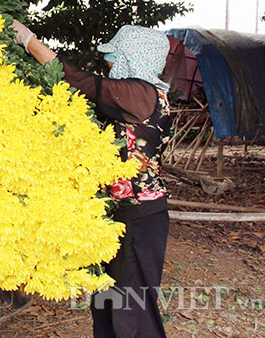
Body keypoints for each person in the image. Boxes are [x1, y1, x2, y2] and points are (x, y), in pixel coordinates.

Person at [12, 21, 171, 338]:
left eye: (115, 55)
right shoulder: (132, 99)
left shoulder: (142, 94)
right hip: (117, 218)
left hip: (139, 218)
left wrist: (30, 42)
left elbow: (82, 82)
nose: (108, 62)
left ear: (133, 57)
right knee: (108, 310)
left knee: (134, 315)